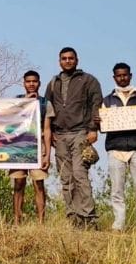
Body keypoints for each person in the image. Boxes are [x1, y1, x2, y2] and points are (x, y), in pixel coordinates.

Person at [44, 47, 103, 227]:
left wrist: (93, 129)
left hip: (80, 133)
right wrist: (50, 132)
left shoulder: (88, 80)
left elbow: (96, 104)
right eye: (64, 58)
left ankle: (88, 217)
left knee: (80, 174)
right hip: (60, 136)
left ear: (77, 60)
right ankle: (73, 218)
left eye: (71, 58)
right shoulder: (53, 83)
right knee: (66, 178)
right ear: (59, 61)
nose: (67, 61)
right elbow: (48, 109)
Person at [102, 63, 136, 231]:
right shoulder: (107, 100)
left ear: (130, 76)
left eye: (125, 75)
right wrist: (99, 122)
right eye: (119, 75)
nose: (122, 78)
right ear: (114, 78)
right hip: (115, 148)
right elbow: (102, 126)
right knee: (117, 191)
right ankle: (119, 225)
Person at [10, 70, 51, 225]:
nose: (31, 84)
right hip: (19, 147)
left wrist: (47, 154)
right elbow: (11, 122)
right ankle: (17, 221)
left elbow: (47, 130)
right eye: (28, 81)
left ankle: (41, 222)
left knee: (38, 183)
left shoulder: (46, 103)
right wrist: (25, 103)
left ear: (39, 83)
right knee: (18, 183)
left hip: (38, 147)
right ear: (24, 83)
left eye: (34, 81)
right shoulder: (17, 101)